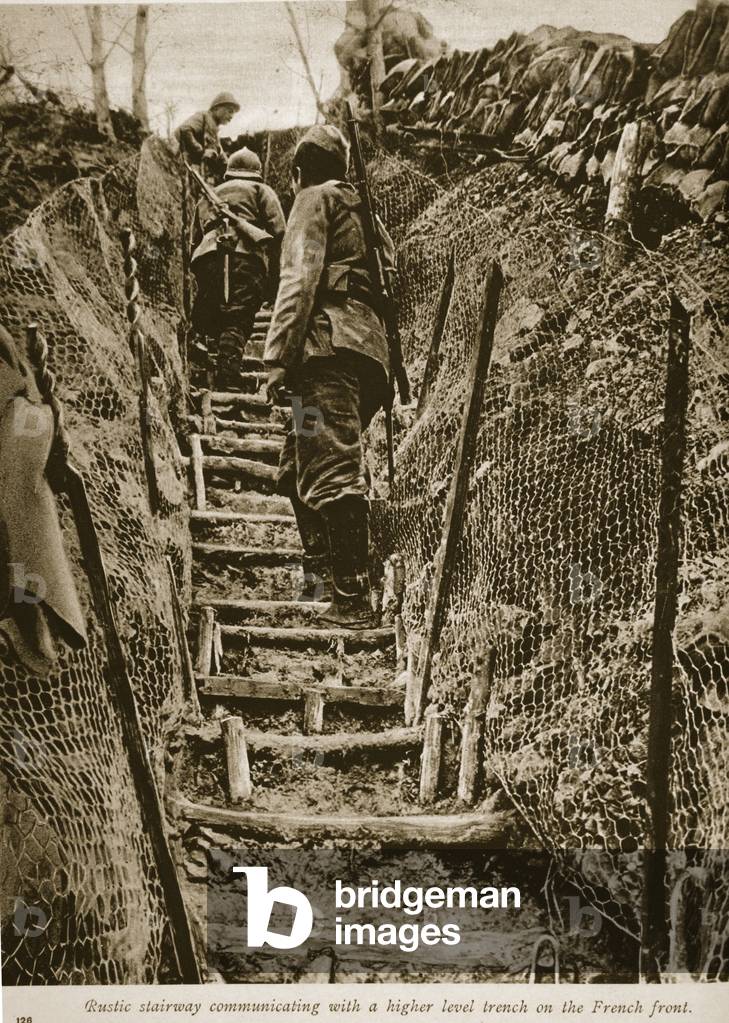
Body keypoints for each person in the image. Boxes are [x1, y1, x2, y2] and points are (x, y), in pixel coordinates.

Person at [264, 124, 395, 629]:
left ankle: (352, 600)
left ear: (298, 173)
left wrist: (277, 357)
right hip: (365, 358)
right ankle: (320, 579)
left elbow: (299, 277)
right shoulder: (364, 211)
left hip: (326, 356)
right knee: (296, 461)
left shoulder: (313, 200)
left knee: (333, 471)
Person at [190, 146, 286, 390]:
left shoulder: (209, 193)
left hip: (208, 258)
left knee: (215, 315)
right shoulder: (261, 190)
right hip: (247, 260)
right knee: (238, 318)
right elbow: (280, 232)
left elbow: (194, 238)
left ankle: (208, 370)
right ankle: (227, 378)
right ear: (256, 172)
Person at [175, 92, 240, 182]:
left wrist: (232, 172)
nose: (232, 116)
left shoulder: (214, 131)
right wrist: (201, 151)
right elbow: (184, 130)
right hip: (180, 164)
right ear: (216, 108)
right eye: (230, 111)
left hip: (196, 172)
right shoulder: (203, 116)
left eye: (233, 113)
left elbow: (220, 155)